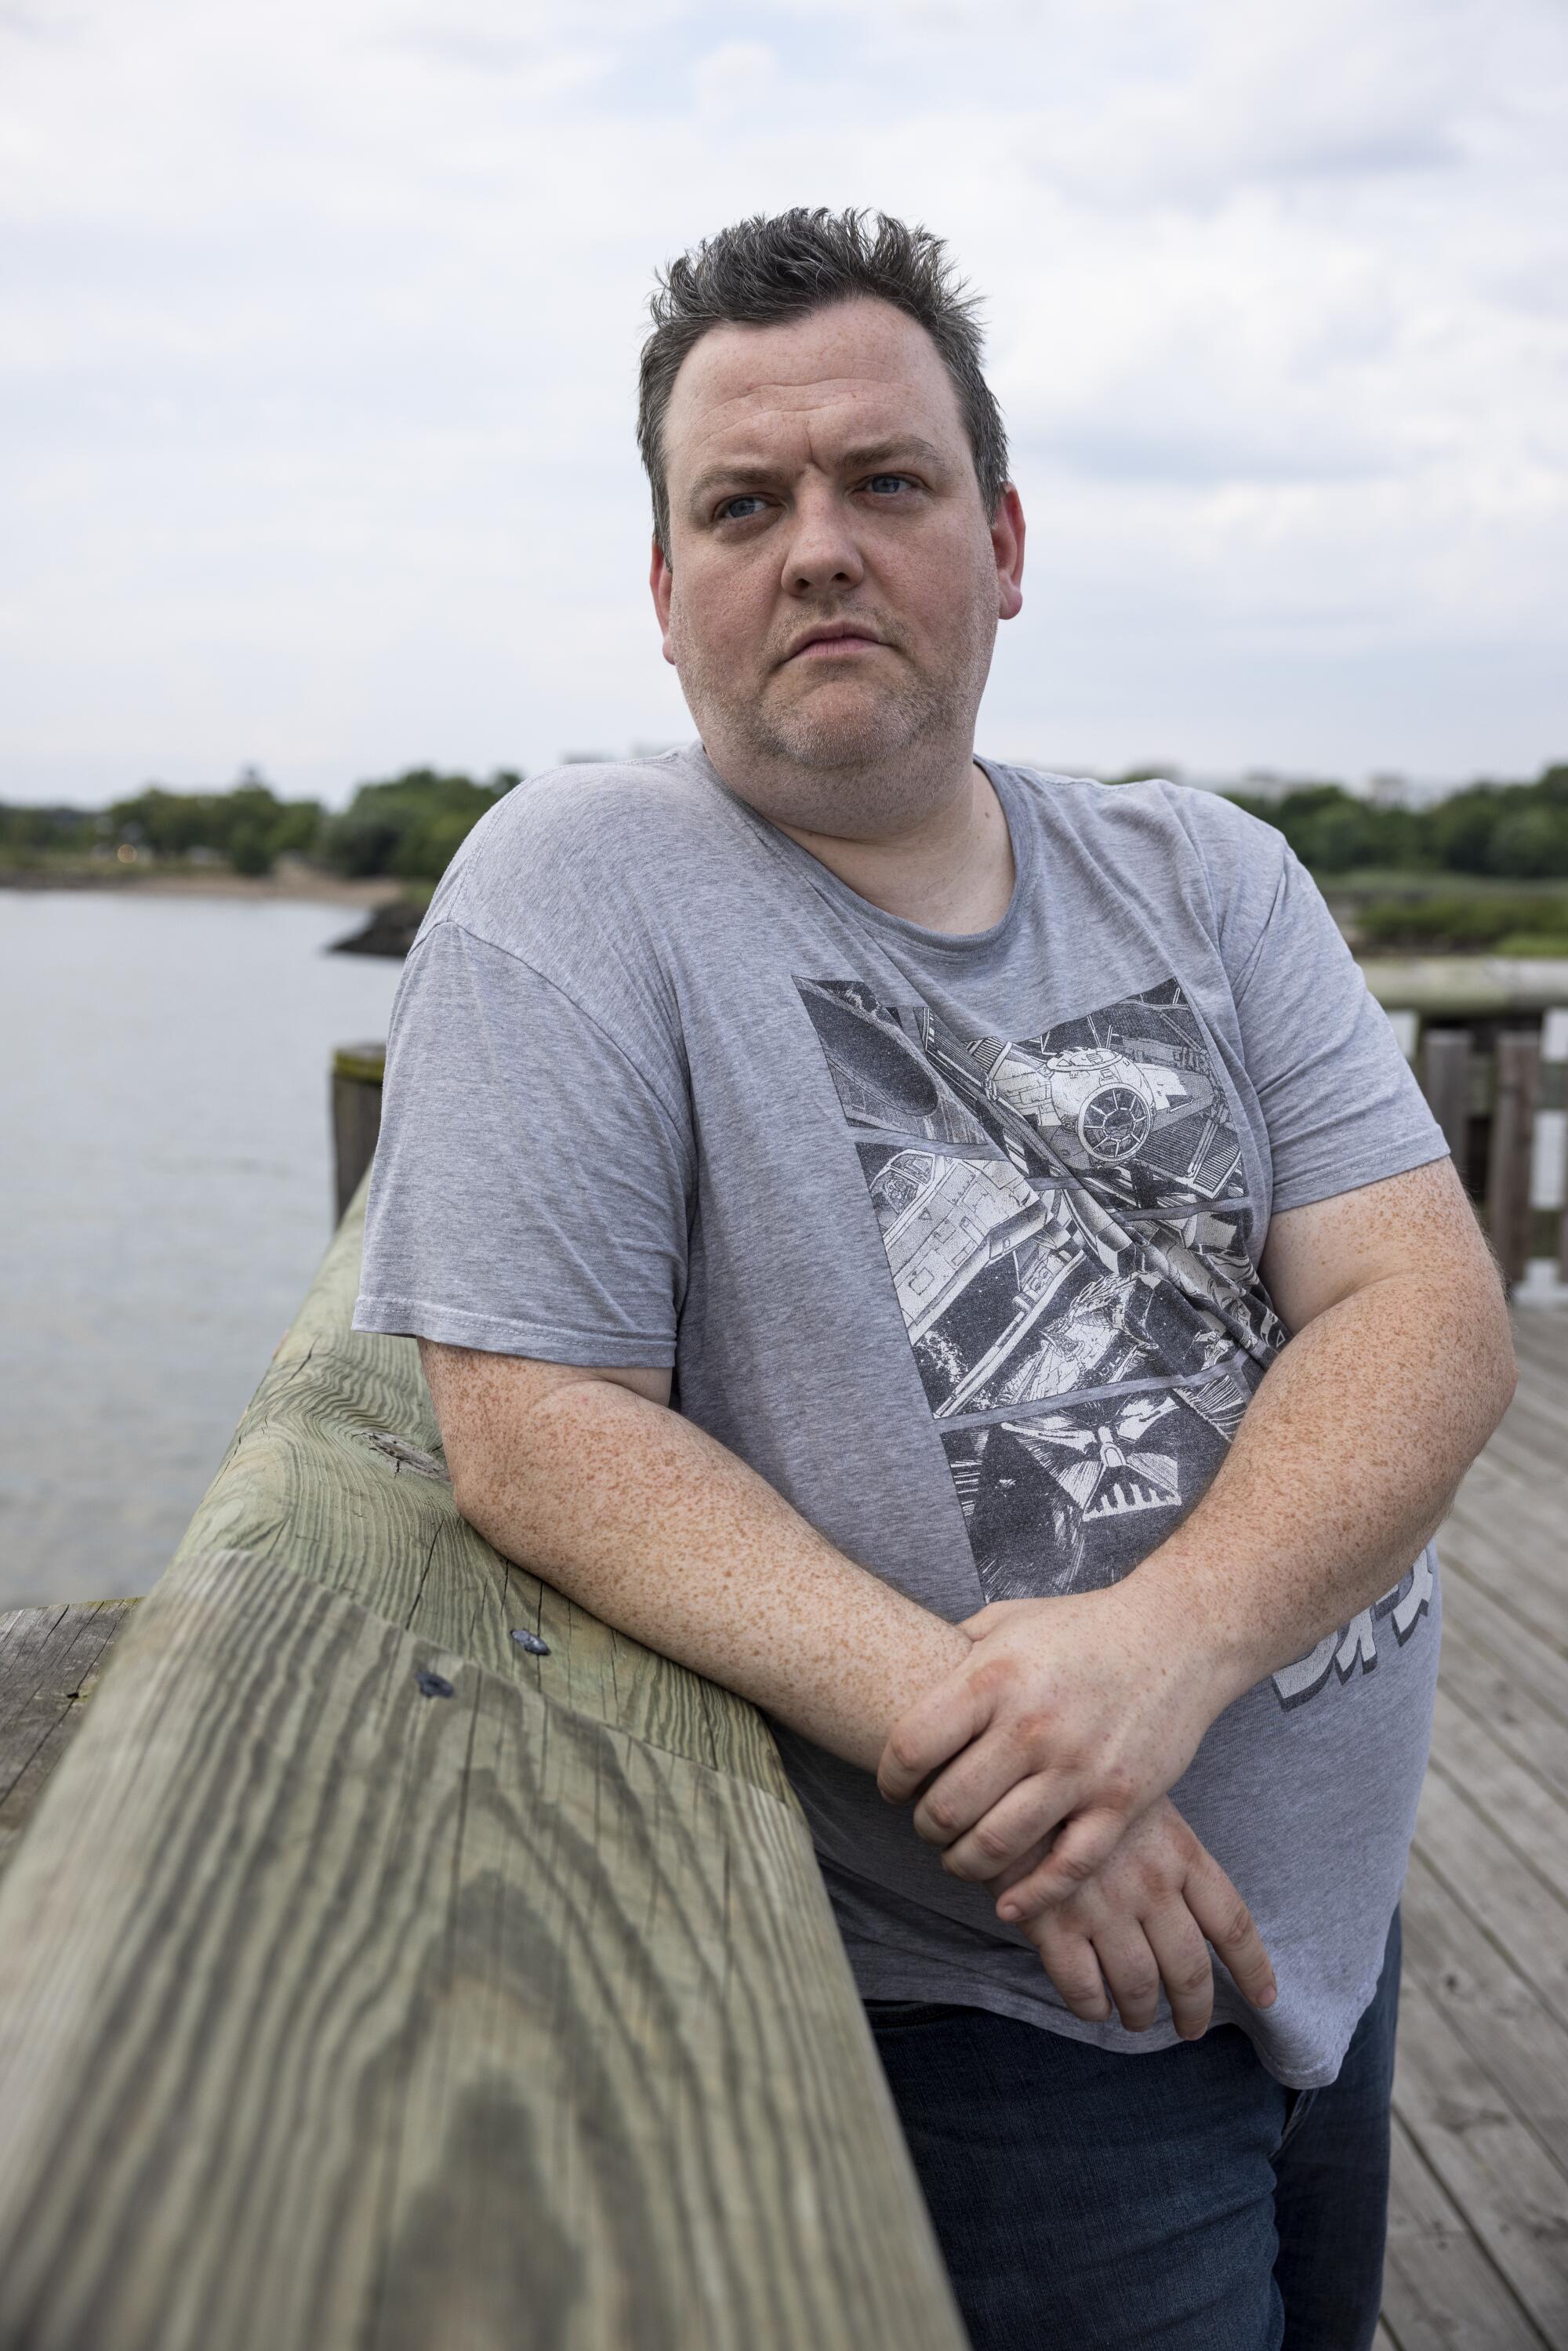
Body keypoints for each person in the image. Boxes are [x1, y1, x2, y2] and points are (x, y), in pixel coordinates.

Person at [352, 208, 1515, 2349]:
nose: (817, 547)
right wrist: (1017, 1763)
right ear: (663, 589)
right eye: (744, 504)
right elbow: (532, 1422)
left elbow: (1426, 1311)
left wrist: (1161, 1652)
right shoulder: (575, 889)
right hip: (1000, 2017)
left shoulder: (1207, 870)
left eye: (884, 485)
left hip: (1337, 1954)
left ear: (998, 542)